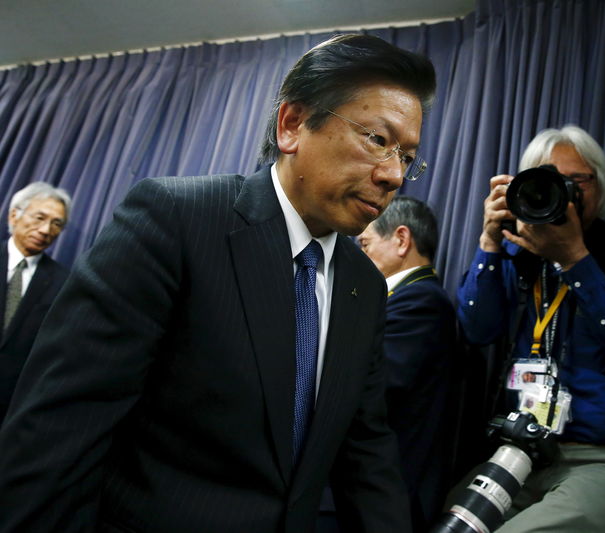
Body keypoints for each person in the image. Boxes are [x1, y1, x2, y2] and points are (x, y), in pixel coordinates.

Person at [0, 34, 436, 533]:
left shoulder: (364, 285)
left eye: (407, 157)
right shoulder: (176, 220)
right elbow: (58, 433)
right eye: (378, 140)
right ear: (292, 124)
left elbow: (367, 452)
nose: (394, 175)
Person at [458, 126, 605, 532]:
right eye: (547, 180)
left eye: (577, 181)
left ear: (601, 188)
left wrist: (576, 260)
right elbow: (477, 329)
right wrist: (489, 241)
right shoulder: (517, 257)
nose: (563, 191)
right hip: (525, 453)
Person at [358, 195, 457, 532]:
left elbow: (373, 385)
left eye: (365, 244)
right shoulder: (406, 299)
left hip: (387, 492)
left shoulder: (422, 301)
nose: (360, 255)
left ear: (401, 240)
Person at [0, 182, 71, 424]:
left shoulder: (64, 283)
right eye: (40, 217)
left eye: (56, 224)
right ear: (14, 215)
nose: (45, 229)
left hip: (12, 409)